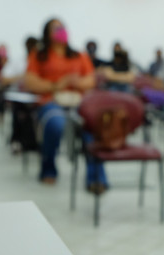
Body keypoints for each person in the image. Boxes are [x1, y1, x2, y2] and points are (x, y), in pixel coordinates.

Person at [25, 18, 106, 193]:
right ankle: (48, 168)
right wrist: (57, 85)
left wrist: (76, 82)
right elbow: (30, 82)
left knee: (92, 126)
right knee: (55, 124)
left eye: (62, 27)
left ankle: (96, 177)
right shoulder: (38, 56)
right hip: (51, 101)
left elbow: (90, 80)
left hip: (77, 102)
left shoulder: (79, 56)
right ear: (47, 34)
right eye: (55, 28)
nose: (60, 30)